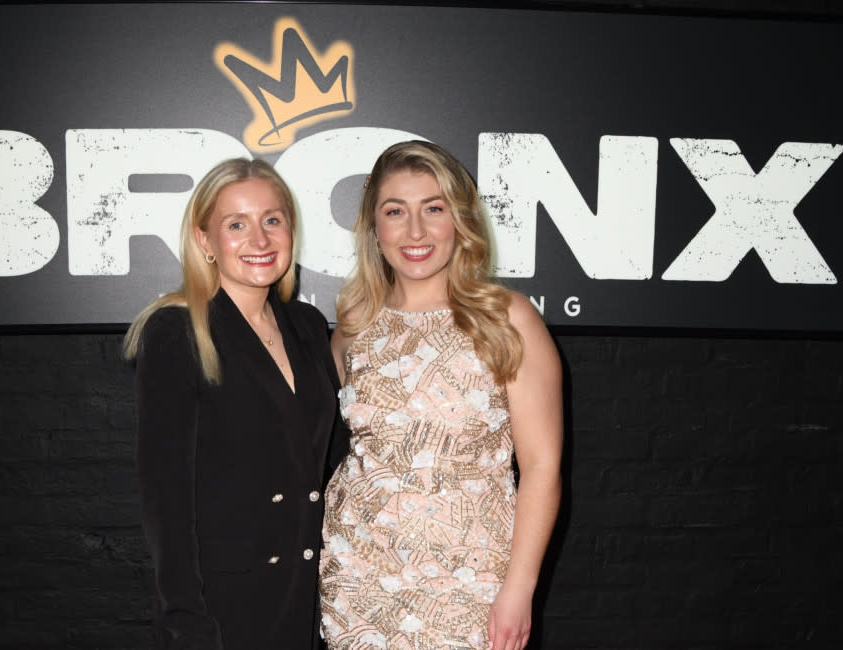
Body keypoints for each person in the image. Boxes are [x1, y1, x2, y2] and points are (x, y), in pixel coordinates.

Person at [319, 141, 562, 650]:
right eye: (395, 212)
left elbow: (541, 466)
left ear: (461, 219)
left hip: (473, 581)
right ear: (373, 226)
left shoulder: (507, 319)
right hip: (358, 575)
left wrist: (520, 587)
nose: (415, 232)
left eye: (434, 209)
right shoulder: (353, 327)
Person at [124, 158, 349, 650]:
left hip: (307, 594)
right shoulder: (175, 331)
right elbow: (166, 499)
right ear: (205, 240)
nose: (260, 239)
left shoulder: (307, 327)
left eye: (272, 219)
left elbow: (328, 460)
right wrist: (186, 621)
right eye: (236, 224)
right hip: (225, 606)